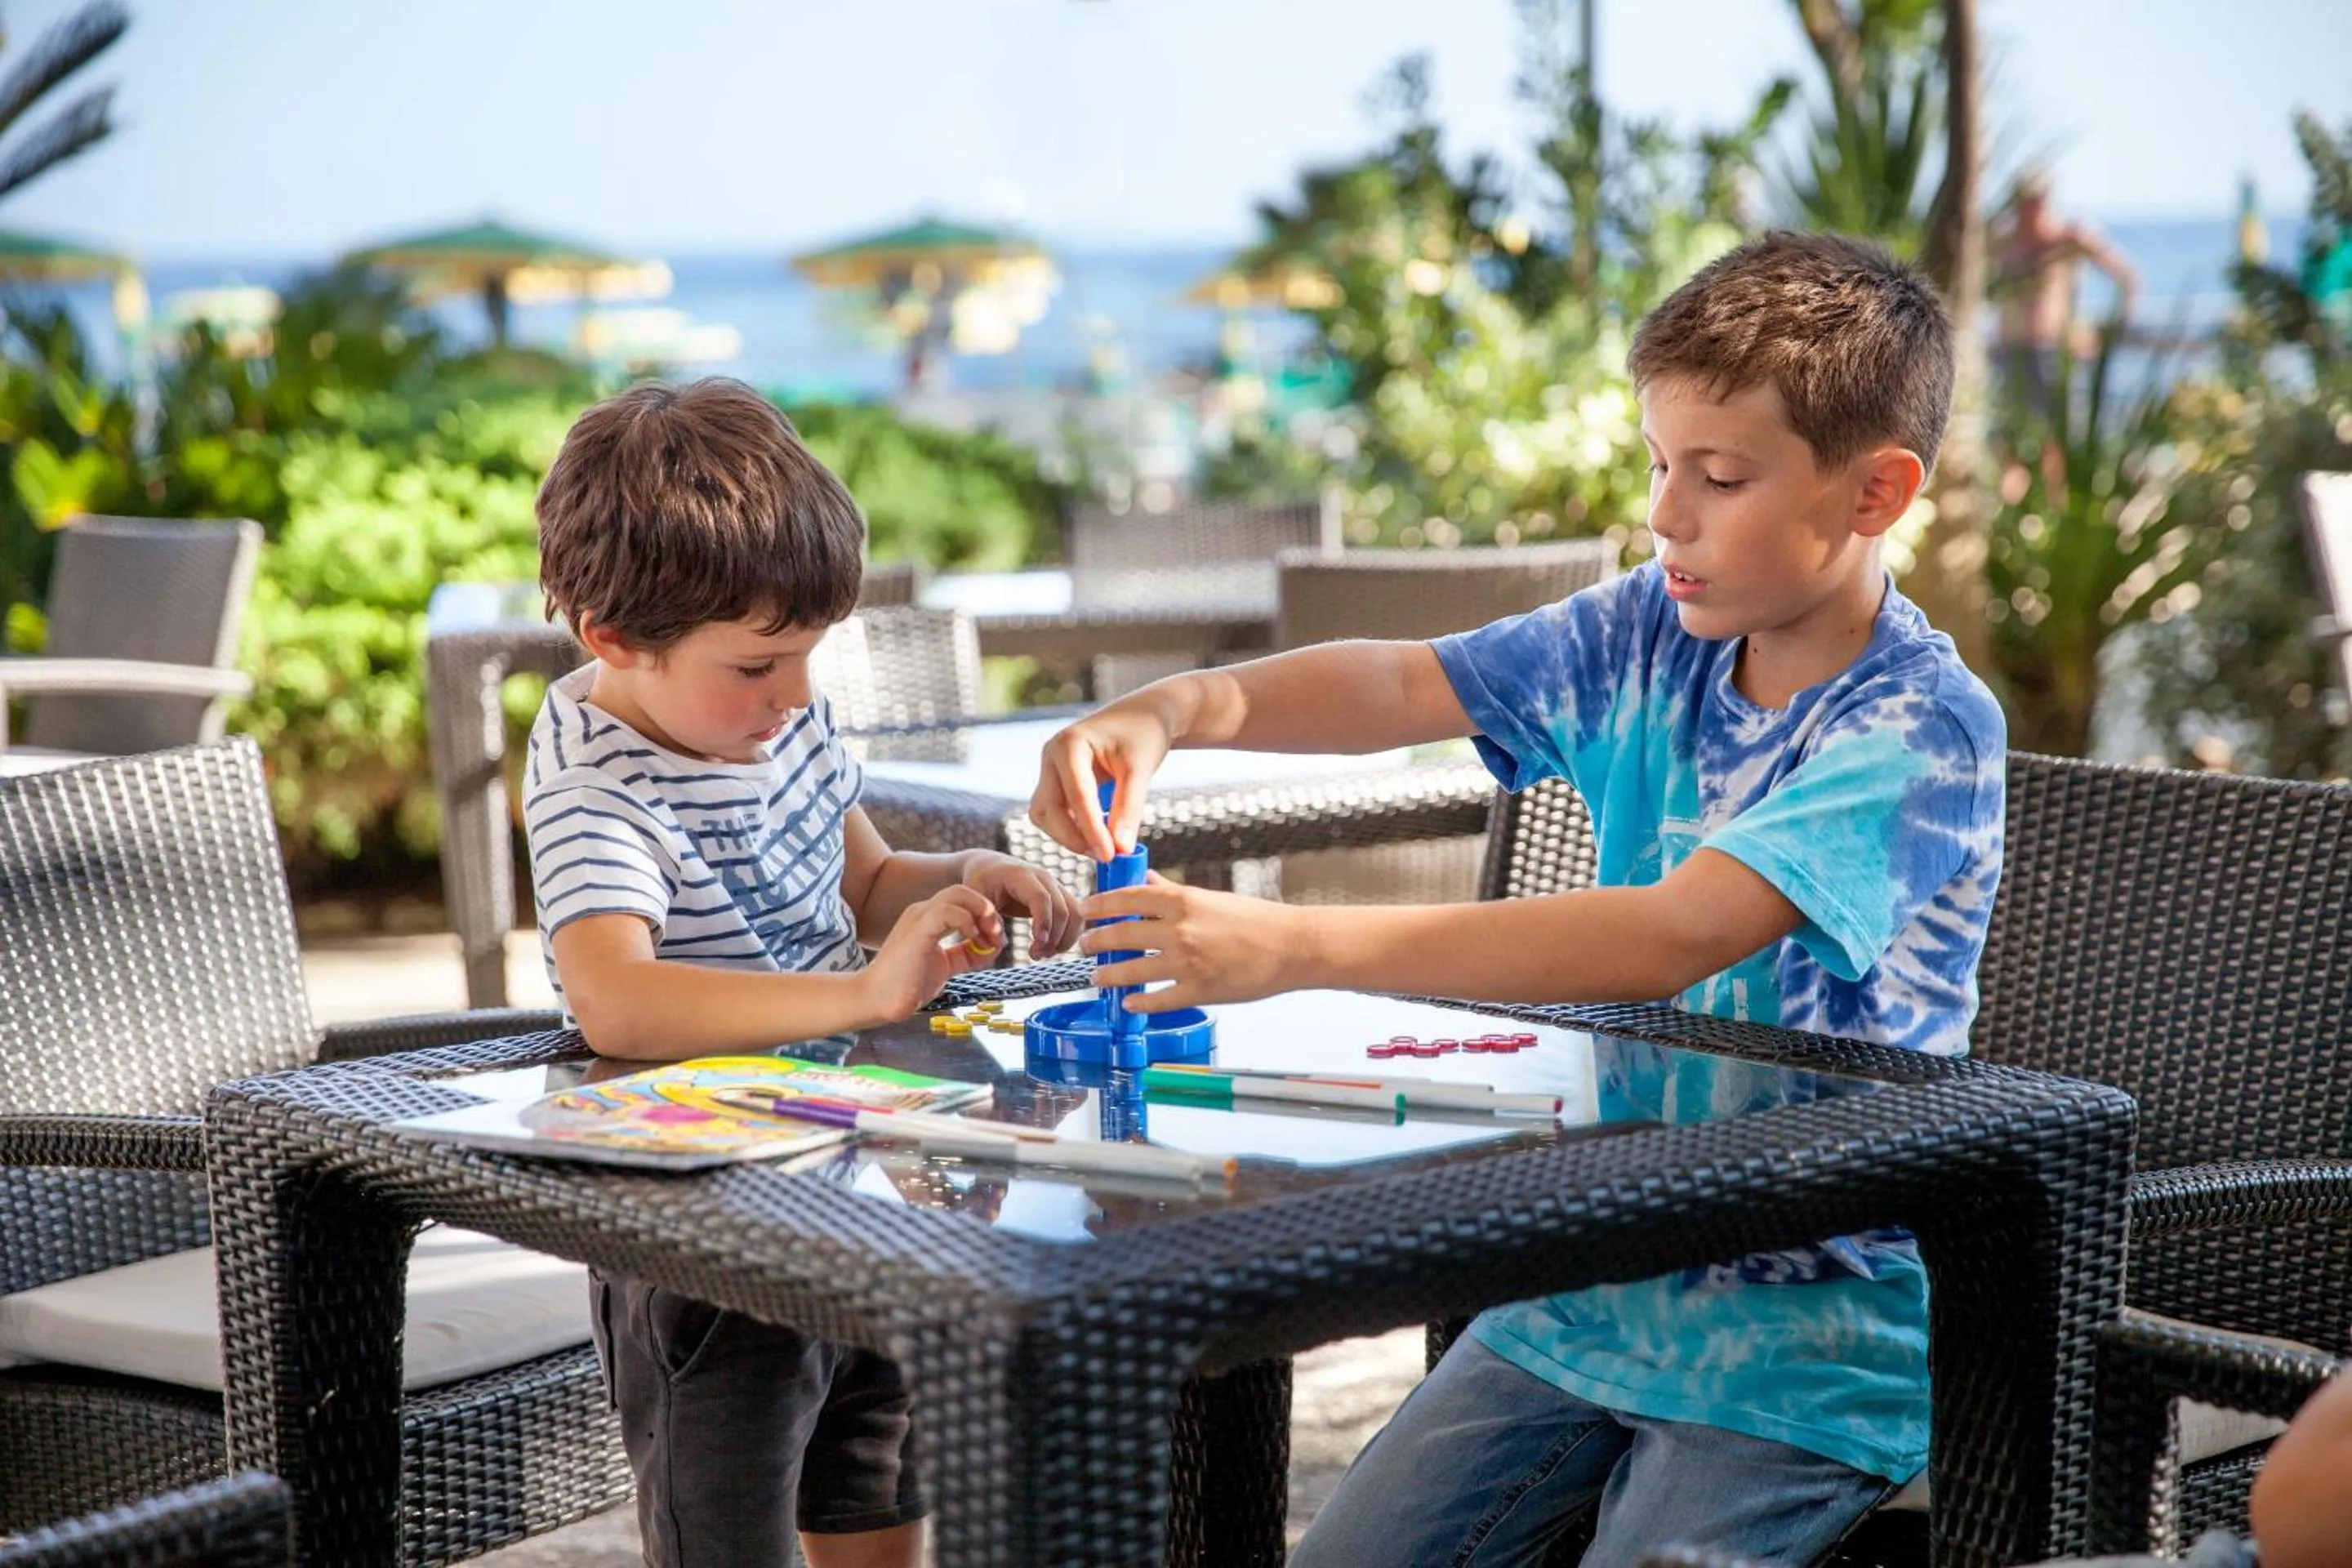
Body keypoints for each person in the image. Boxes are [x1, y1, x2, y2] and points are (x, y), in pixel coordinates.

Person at [1029, 232, 2007, 1566]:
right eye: (1663, 465)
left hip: (1807, 1344)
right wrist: (1178, 709)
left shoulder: (1923, 726)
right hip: (1592, 1289)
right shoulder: (1645, 631)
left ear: (1877, 491)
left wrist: (1291, 946)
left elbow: (1674, 934)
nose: (1668, 514)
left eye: (1720, 478)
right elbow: (1397, 684)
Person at [523, 377, 1082, 1568]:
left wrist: (967, 875)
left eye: (810, 658)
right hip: (703, 1224)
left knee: (875, 1478)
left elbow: (865, 882)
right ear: (614, 639)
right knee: (732, 1522)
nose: (795, 696)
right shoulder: (596, 784)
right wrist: (869, 994)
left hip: (861, 1171)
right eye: (760, 666)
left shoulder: (778, 721)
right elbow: (616, 996)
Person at [1992, 168, 2140, 410]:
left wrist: (2114, 329)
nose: (2027, 211)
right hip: (2009, 353)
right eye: (2023, 202)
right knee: (2006, 438)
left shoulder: (2069, 239)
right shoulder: (2001, 240)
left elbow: (2127, 277)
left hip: (2055, 353)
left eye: (2034, 202)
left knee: (2062, 434)